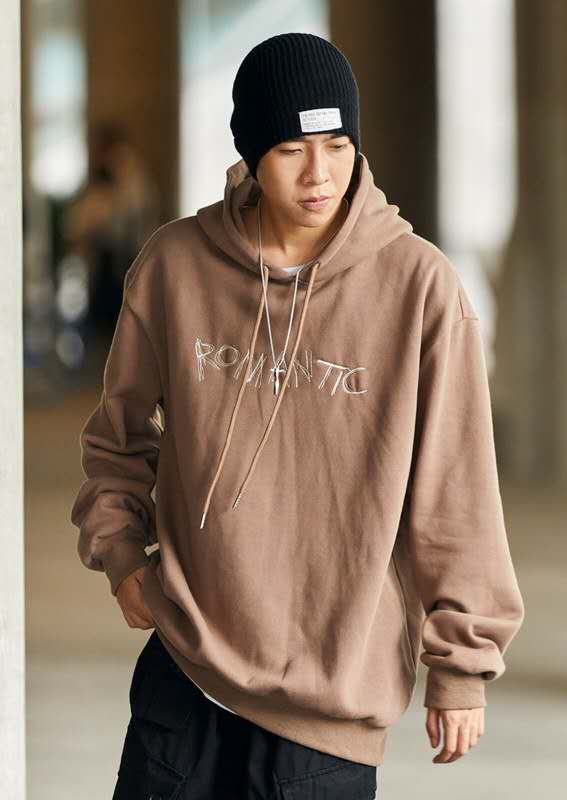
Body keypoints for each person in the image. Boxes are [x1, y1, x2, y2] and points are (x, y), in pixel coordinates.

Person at [70, 32, 525, 799]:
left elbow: (457, 490)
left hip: (330, 701)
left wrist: (462, 665)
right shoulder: (176, 266)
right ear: (251, 152)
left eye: (338, 145)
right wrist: (122, 555)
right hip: (185, 674)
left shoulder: (420, 288)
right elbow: (118, 436)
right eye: (290, 150)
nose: (320, 174)